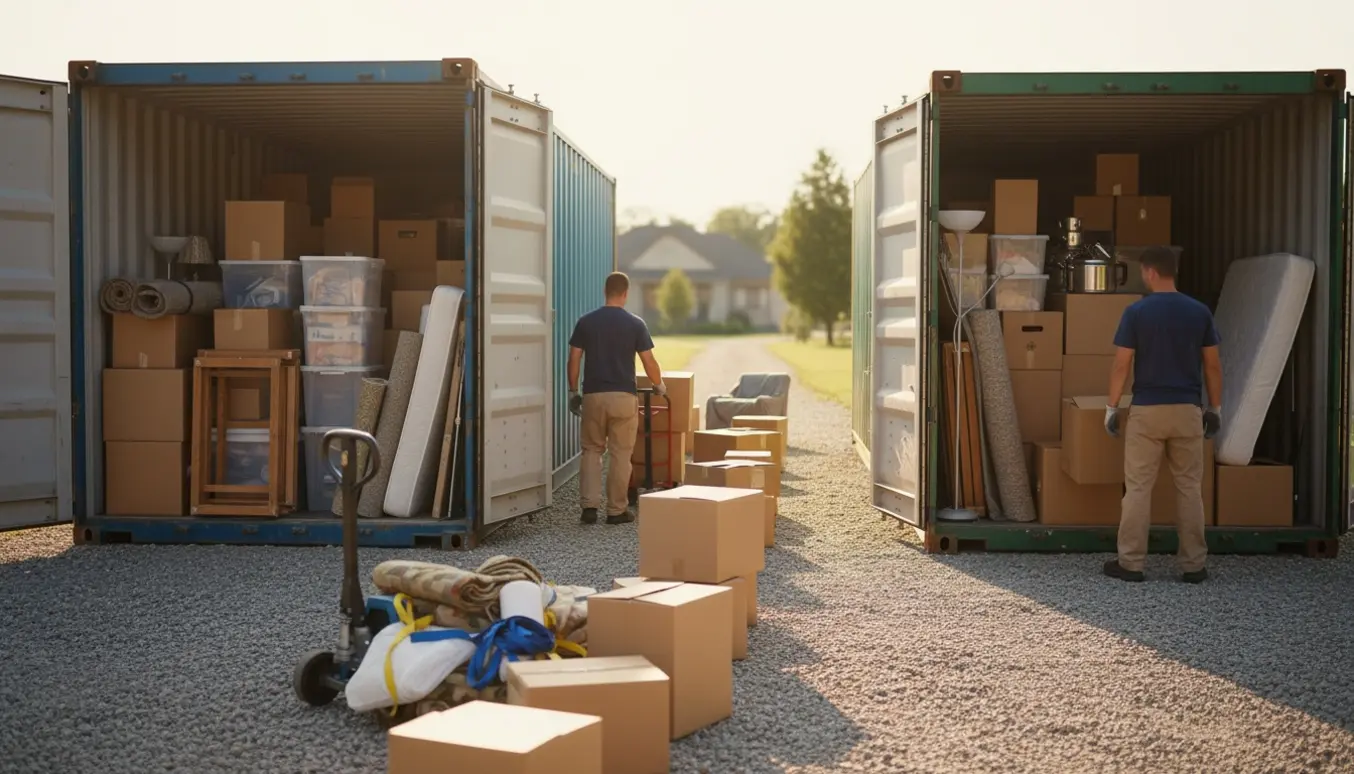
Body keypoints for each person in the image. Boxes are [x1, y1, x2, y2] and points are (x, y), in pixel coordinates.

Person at [1103, 246, 1223, 584]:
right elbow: (1212, 365)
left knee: (1139, 488)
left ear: (1151, 272)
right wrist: (1215, 408)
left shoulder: (1136, 312)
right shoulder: (1199, 312)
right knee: (1188, 487)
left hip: (1147, 411)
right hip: (1187, 410)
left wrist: (1112, 407)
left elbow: (1121, 365)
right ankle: (1194, 566)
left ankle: (1131, 564)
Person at [566, 271, 666, 525]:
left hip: (593, 396)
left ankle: (589, 508)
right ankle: (616, 510)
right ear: (625, 294)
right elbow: (649, 361)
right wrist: (659, 385)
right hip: (623, 396)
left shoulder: (586, 322)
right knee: (621, 454)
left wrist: (573, 391)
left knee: (591, 450)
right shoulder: (635, 324)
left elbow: (574, 359)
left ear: (605, 291)